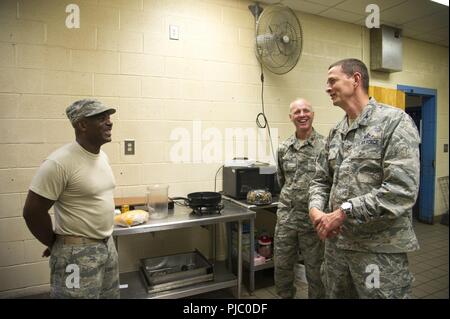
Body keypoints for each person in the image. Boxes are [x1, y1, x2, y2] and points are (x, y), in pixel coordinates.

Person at [309, 58, 420, 299]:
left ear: (355, 79)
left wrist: (343, 212)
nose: (327, 88)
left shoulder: (394, 123)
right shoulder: (336, 132)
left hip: (377, 253)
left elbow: (401, 190)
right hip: (337, 251)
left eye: (332, 81)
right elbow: (320, 180)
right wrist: (316, 210)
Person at [23, 99, 119, 299]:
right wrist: (54, 243)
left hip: (107, 246)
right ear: (82, 125)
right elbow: (32, 212)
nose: (109, 123)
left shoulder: (102, 157)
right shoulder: (59, 162)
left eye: (109, 118)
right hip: (77, 256)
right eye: (101, 118)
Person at [274, 98, 326, 299]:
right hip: (287, 219)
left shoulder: (325, 146)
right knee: (282, 268)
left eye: (306, 110)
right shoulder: (284, 148)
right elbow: (282, 180)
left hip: (314, 221)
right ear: (291, 117)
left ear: (313, 114)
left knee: (316, 271)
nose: (302, 115)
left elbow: (328, 183)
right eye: (297, 112)